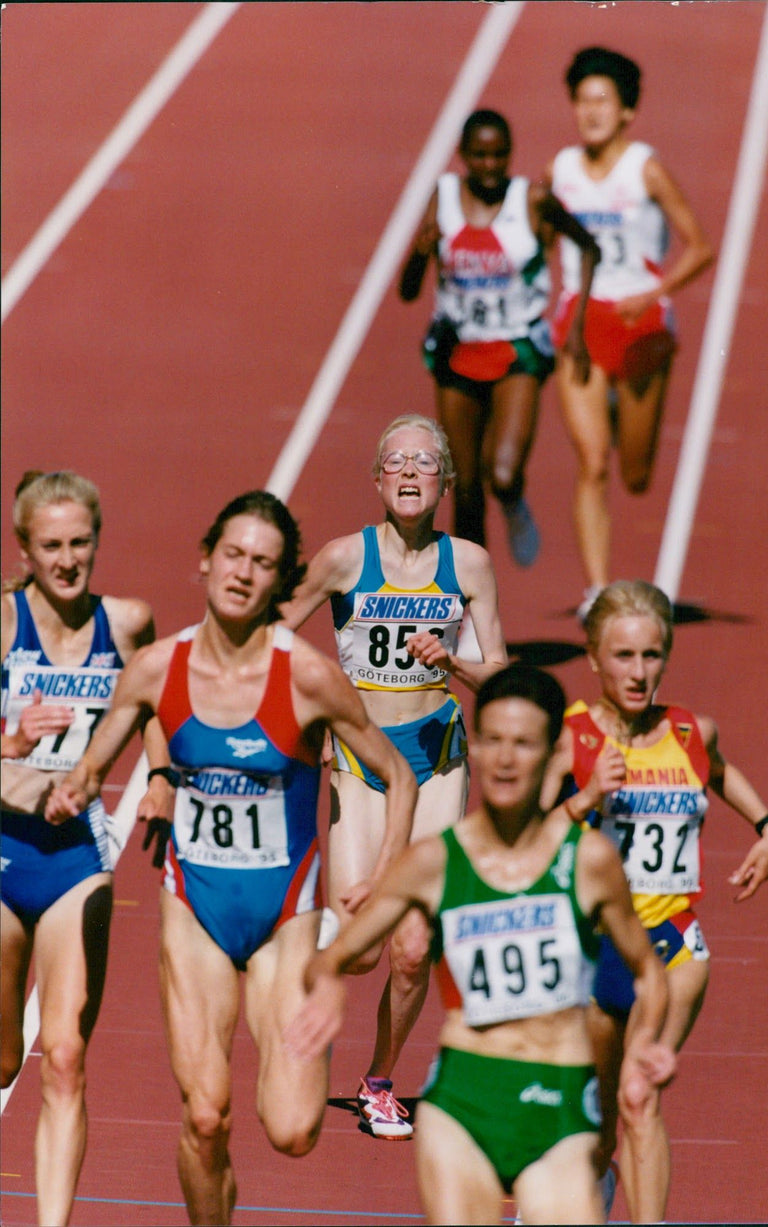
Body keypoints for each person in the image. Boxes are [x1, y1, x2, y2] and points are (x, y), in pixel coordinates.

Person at [44, 490, 418, 1227]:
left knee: (294, 1130)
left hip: (284, 916)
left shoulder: (307, 676)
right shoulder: (155, 669)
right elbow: (89, 769)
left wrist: (389, 875)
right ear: (207, 559)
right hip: (196, 909)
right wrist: (69, 785)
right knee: (207, 1114)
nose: (245, 573)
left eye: (264, 564)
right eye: (235, 555)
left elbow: (398, 773)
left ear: (281, 582)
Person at [285, 662, 676, 1225]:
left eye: (523, 743)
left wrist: (648, 1044)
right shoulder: (436, 861)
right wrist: (324, 991)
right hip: (463, 1107)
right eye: (491, 740)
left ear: (551, 753)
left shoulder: (587, 861)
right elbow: (337, 957)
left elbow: (648, 971)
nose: (505, 758)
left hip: (557, 1105)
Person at [280, 413, 507, 1139]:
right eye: (397, 460)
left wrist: (453, 664)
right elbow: (273, 633)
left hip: (437, 757)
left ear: (444, 482)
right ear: (377, 479)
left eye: (426, 461)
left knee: (413, 947)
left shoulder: (467, 563)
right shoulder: (345, 559)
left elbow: (499, 676)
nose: (411, 471)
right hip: (362, 760)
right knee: (365, 944)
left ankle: (379, 1081)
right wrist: (316, 717)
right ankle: (301, 968)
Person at [543, 580, 768, 1222]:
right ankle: (590, 1182)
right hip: (591, 951)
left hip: (673, 945)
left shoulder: (689, 730)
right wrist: (586, 797)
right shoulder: (571, 740)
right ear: (593, 658)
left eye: (652, 656)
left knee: (640, 1096)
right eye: (623, 656)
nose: (639, 672)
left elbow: (722, 771)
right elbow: (525, 843)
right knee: (590, 1115)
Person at [0, 469, 167, 1227]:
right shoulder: (3, 624)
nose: (68, 560)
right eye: (52, 546)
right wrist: (10, 738)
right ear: (24, 548)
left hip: (76, 858)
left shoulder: (127, 621)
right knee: (6, 1058)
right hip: (2, 850)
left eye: (80, 543)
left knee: (64, 1056)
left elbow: (158, 695)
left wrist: (161, 775)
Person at [543, 48, 714, 619]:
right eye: (582, 100)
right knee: (592, 463)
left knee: (634, 476)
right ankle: (597, 590)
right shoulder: (560, 171)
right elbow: (535, 235)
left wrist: (653, 291)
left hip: (640, 329)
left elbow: (701, 246)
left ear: (626, 112)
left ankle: (622, 411)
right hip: (581, 325)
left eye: (602, 101)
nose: (590, 112)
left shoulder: (646, 168)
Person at [399, 109, 600, 566]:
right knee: (465, 491)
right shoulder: (444, 197)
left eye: (499, 155)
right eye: (480, 156)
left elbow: (590, 246)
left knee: (503, 475)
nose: (490, 166)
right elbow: (408, 292)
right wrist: (419, 252)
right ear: (463, 156)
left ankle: (513, 504)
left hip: (517, 350)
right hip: (457, 352)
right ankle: (473, 605)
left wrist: (578, 327)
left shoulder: (532, 200)